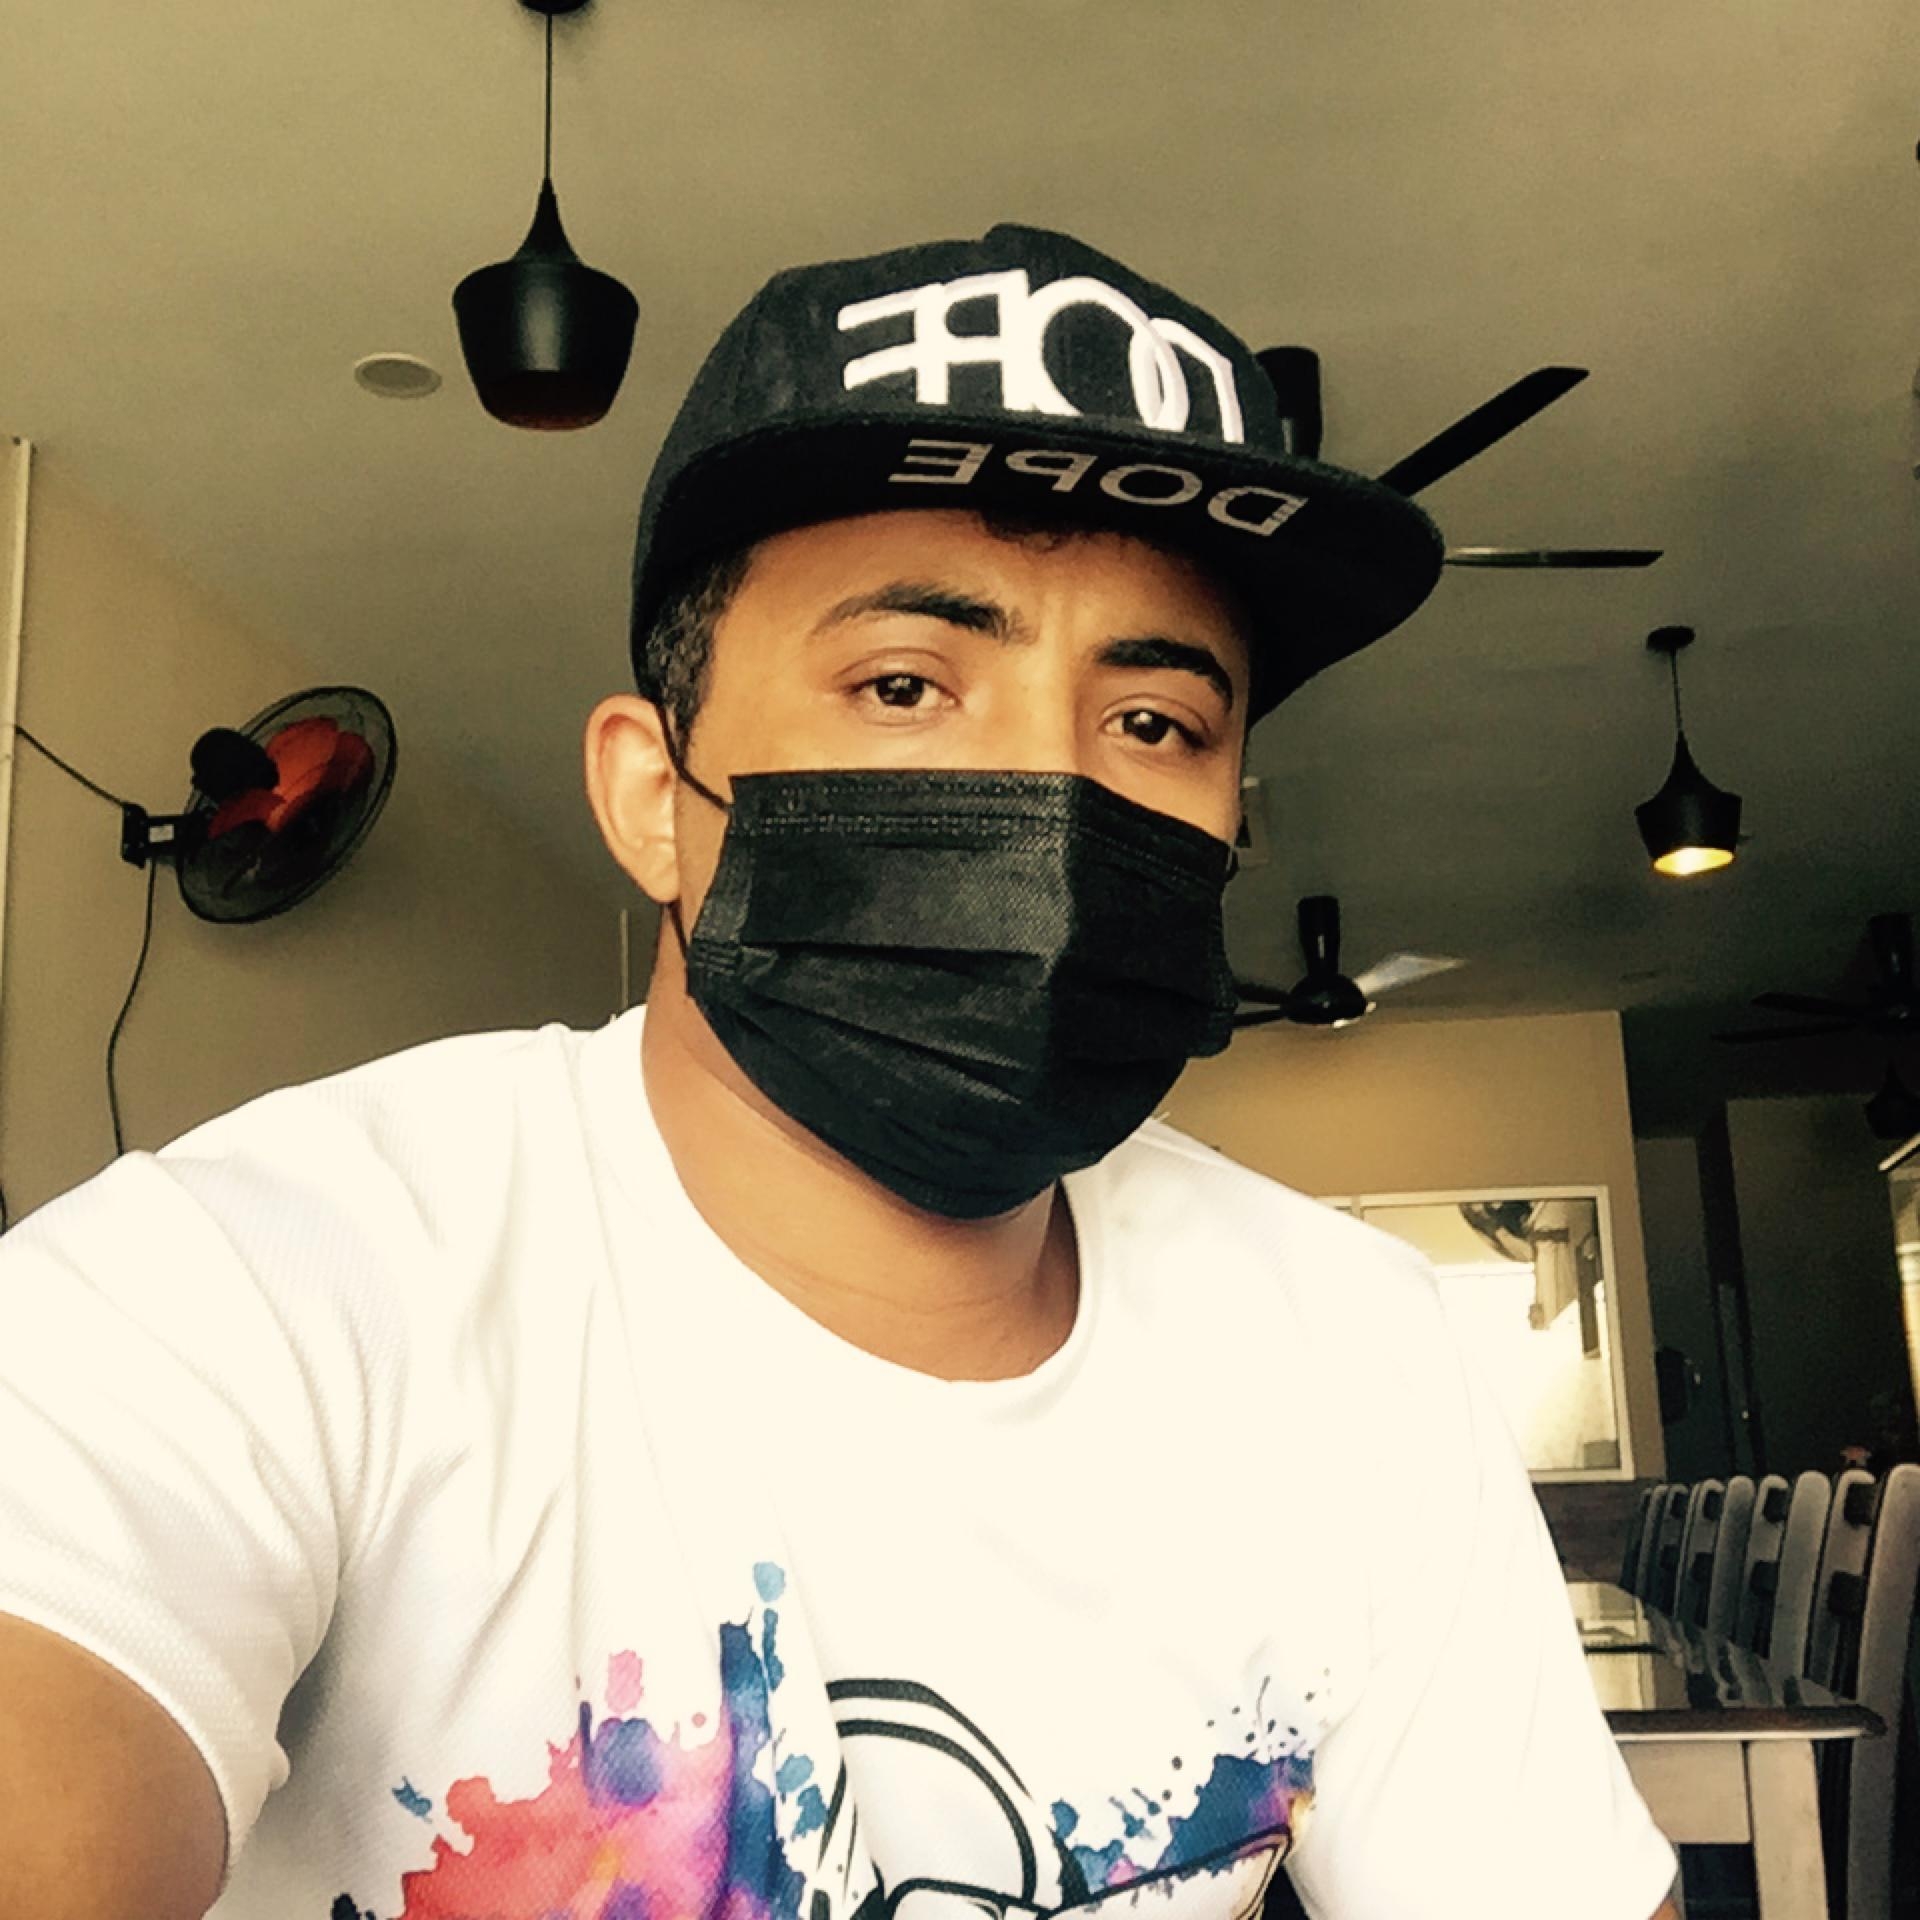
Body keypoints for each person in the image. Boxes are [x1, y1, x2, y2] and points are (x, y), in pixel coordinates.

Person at [0, 224, 1681, 1920]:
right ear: (654, 799)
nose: (1047, 795)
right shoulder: (251, 1295)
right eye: (904, 684)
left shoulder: (1354, 1360)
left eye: (1155, 724)